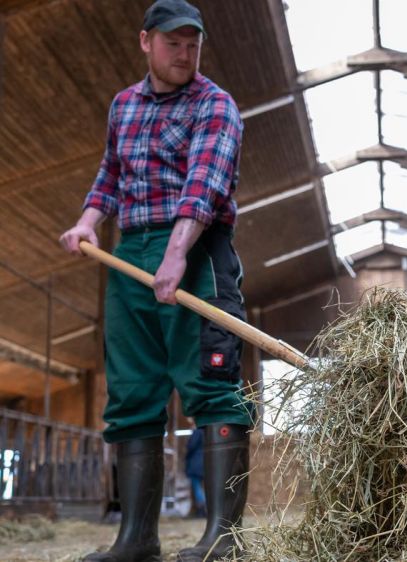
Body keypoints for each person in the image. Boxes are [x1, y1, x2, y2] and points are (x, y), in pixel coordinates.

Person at [58, 1, 252, 560]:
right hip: (130, 252)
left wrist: (175, 257)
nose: (184, 53)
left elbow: (204, 186)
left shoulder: (215, 105)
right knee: (131, 393)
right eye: (173, 43)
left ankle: (224, 540)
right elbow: (111, 174)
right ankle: (137, 539)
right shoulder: (124, 105)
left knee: (211, 387)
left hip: (196, 249)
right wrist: (88, 223)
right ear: (146, 41)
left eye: (193, 43)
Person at [185, 426, 206, 518]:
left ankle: (201, 510)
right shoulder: (207, 430)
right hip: (204, 463)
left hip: (195, 463)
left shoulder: (197, 431)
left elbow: (191, 446)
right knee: (202, 488)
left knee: (197, 488)